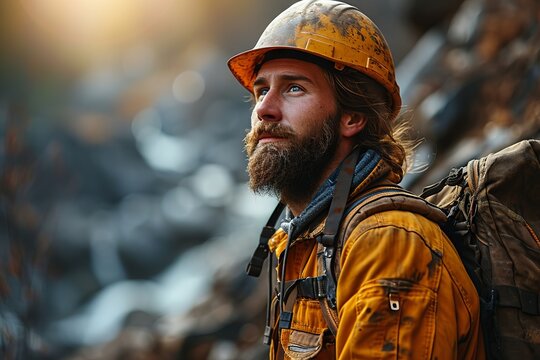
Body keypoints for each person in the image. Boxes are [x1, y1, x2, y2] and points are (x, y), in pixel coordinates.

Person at [227, 1, 485, 359]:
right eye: (260, 90)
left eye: (294, 88)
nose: (264, 109)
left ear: (352, 117)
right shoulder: (307, 241)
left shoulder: (388, 245)